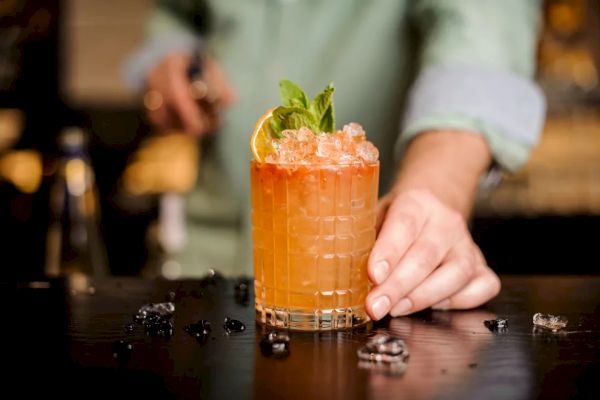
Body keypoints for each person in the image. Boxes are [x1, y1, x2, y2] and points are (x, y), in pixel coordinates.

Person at [125, 0, 546, 321]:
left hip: (368, 294)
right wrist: (170, 56)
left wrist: (436, 191)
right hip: (199, 265)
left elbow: (482, 34)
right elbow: (177, 13)